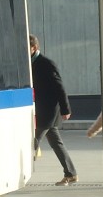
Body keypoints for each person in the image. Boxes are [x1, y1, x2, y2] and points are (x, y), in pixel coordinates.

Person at [30, 34, 77, 185]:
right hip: (40, 110)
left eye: (27, 48)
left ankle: (18, 174)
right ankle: (71, 173)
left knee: (33, 142)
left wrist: (65, 109)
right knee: (56, 143)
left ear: (34, 48)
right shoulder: (29, 63)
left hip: (48, 111)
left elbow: (59, 87)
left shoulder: (46, 63)